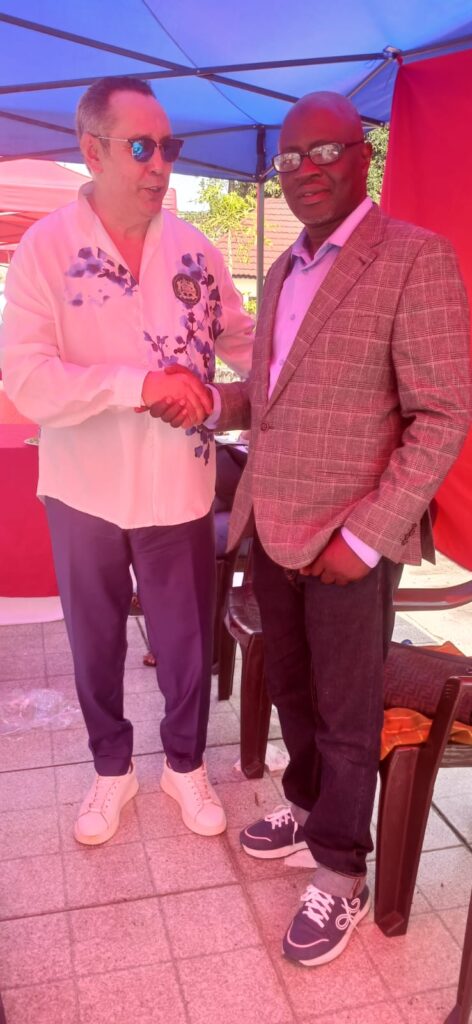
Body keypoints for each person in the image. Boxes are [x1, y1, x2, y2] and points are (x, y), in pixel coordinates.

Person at [157, 90, 471, 966]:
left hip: (350, 539)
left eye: (323, 151)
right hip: (274, 524)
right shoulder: (286, 271)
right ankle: (306, 805)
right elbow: (274, 397)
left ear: (362, 155)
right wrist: (209, 400)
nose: (305, 171)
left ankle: (342, 871)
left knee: (346, 708)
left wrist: (366, 536)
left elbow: (443, 415)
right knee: (291, 687)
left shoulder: (414, 258)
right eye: (290, 159)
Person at [1, 76, 253, 846]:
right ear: (92, 150)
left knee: (185, 642)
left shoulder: (196, 249)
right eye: (141, 147)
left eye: (168, 147)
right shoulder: (47, 249)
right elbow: (25, 378)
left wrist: (266, 382)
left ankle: (184, 764)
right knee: (96, 640)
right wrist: (135, 386)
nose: (160, 164)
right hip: (84, 488)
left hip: (179, 484)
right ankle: (111, 769)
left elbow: (246, 341)